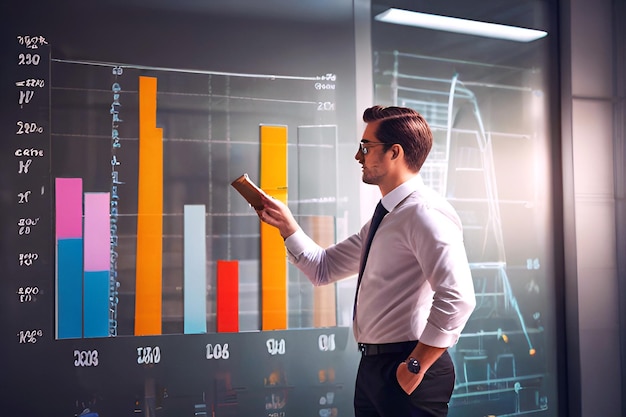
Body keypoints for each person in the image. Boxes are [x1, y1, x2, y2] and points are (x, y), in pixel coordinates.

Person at [256, 105, 476, 417]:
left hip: (407, 365)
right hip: (374, 367)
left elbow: (458, 298)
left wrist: (413, 368)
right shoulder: (385, 218)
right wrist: (287, 226)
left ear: (394, 152)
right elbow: (324, 268)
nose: (359, 157)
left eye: (366, 147)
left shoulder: (425, 214)